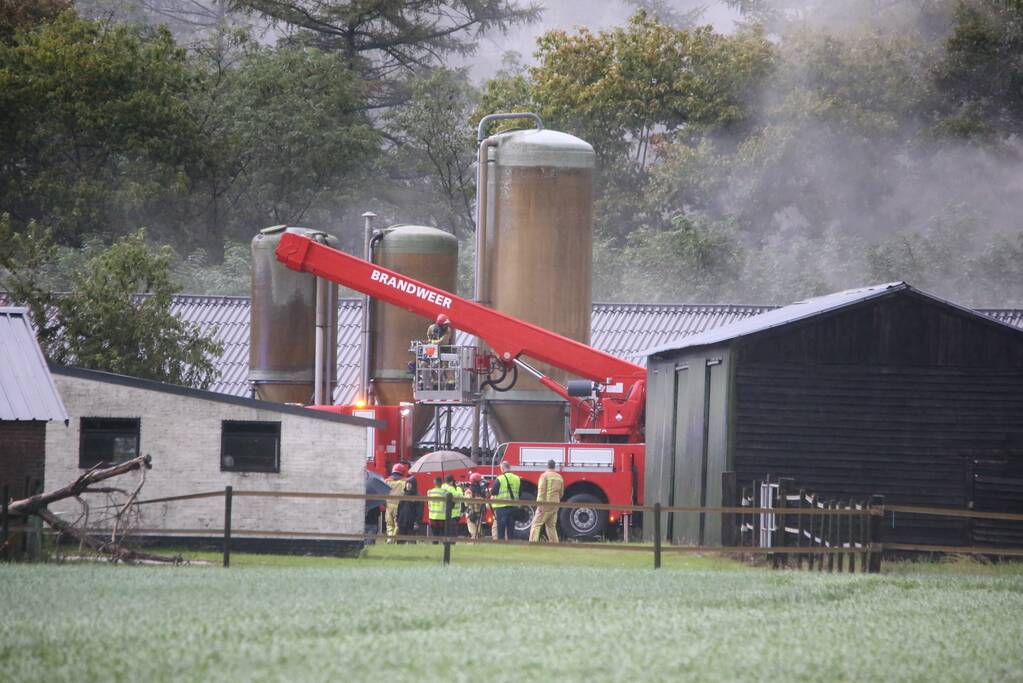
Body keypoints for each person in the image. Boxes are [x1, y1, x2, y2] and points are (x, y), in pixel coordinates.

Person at [529, 459, 564, 543]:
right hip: (555, 504)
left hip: (545, 504)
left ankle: (533, 543)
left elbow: (541, 490)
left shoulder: (544, 476)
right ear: (554, 466)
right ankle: (554, 543)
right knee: (551, 526)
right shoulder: (559, 477)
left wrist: (540, 504)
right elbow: (561, 492)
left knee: (536, 524)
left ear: (547, 466)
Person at [490, 461, 522, 541]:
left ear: (502, 468)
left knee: (501, 528)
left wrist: (490, 490)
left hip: (501, 507)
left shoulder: (500, 478)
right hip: (513, 507)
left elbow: (494, 492)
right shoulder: (517, 478)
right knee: (510, 528)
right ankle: (510, 544)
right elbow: (520, 493)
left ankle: (501, 545)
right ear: (510, 468)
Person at [384, 464, 407, 543]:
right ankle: (394, 539)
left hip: (388, 507)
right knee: (397, 525)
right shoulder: (405, 482)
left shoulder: (386, 481)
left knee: (389, 525)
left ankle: (390, 539)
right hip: (399, 507)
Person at [396, 468, 420, 541]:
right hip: (402, 521)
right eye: (407, 483)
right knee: (400, 541)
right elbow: (399, 508)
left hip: (412, 522)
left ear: (414, 485)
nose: (408, 485)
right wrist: (397, 519)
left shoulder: (418, 496)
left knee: (411, 541)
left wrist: (417, 522)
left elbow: (419, 511)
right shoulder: (403, 495)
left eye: (410, 484)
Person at [464, 472, 487, 541]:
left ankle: (476, 546)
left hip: (479, 514)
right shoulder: (469, 491)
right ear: (475, 482)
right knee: (474, 533)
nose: (481, 483)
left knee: (478, 532)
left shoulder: (480, 491)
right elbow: (467, 502)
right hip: (471, 514)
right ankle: (473, 545)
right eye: (480, 481)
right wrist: (479, 500)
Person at [426, 476, 447, 543]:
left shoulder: (429, 492)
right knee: (444, 535)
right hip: (442, 517)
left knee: (435, 535)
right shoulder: (445, 492)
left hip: (432, 516)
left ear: (434, 483)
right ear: (441, 483)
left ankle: (435, 547)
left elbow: (428, 504)